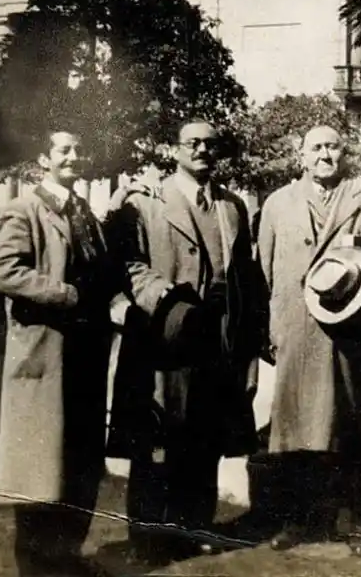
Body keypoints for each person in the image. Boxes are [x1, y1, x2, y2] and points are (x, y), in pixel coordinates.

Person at [105, 119, 261, 567]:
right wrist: (163, 298)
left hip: (216, 341)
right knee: (155, 439)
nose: (202, 151)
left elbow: (245, 278)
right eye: (192, 143)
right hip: (163, 338)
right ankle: (147, 536)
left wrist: (245, 341)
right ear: (174, 149)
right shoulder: (146, 202)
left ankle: (195, 525)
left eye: (210, 145)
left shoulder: (232, 207)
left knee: (204, 436)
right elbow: (128, 263)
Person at [257, 124, 361, 557]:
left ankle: (357, 523)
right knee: (295, 427)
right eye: (315, 148)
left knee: (348, 426)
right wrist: (271, 327)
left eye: (332, 146)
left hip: (345, 329)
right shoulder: (278, 202)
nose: (325, 155)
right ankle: (296, 520)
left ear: (345, 152)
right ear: (301, 156)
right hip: (296, 328)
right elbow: (264, 268)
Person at [0, 128, 115, 577]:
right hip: (44, 357)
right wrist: (64, 294)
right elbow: (5, 273)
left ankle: (69, 558)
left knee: (80, 461)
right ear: (44, 158)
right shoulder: (22, 210)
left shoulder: (87, 215)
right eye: (64, 150)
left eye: (79, 150)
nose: (74, 157)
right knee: (39, 468)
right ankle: (37, 566)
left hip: (85, 357)